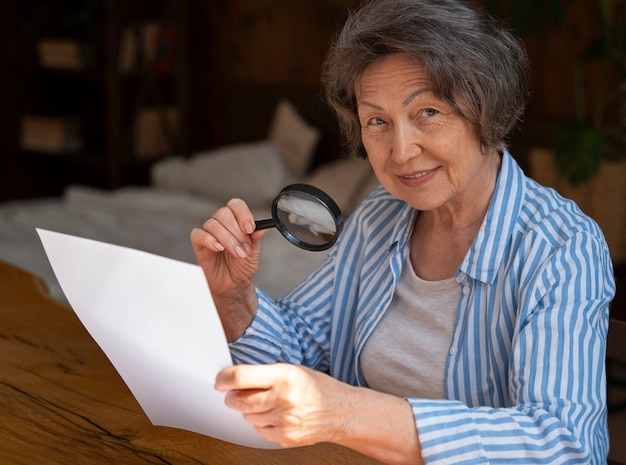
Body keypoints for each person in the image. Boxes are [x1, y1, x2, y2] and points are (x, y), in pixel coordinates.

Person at [190, 0, 616, 463]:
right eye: (377, 121)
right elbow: (297, 349)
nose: (401, 151)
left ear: (487, 110)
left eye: (428, 112)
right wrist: (233, 296)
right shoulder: (379, 217)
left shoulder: (561, 246)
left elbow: (563, 444)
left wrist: (347, 413)